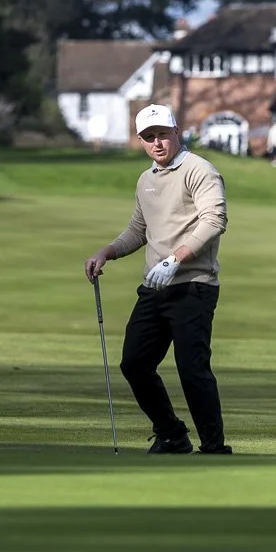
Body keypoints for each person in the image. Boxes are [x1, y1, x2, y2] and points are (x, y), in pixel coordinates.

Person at [82, 104, 232, 456]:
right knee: (134, 363)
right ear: (142, 141)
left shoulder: (200, 171)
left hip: (194, 285)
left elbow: (214, 220)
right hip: (155, 288)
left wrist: (175, 258)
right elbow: (138, 229)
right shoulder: (146, 179)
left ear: (176, 131)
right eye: (149, 138)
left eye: (163, 134)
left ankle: (213, 446)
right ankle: (172, 434)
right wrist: (105, 252)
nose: (158, 143)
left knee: (192, 369)